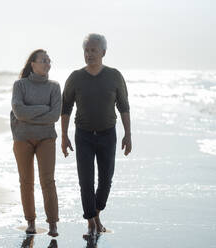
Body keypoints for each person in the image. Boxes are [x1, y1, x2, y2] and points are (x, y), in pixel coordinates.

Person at [61, 33, 132, 235]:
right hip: (83, 135)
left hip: (108, 134)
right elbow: (65, 108)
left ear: (103, 52)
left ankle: (96, 212)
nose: (89, 54)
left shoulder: (115, 75)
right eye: (86, 50)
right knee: (85, 181)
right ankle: (91, 222)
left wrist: (128, 134)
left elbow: (124, 106)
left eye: (93, 50)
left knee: (106, 180)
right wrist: (64, 136)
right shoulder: (75, 77)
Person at [11, 49, 61, 237]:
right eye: (43, 60)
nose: (48, 63)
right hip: (22, 138)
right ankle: (30, 222)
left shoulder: (54, 87)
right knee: (26, 182)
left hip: (46, 138)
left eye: (49, 60)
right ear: (33, 64)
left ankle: (53, 224)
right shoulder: (20, 85)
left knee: (48, 181)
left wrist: (29, 114)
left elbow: (54, 116)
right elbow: (18, 112)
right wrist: (42, 108)